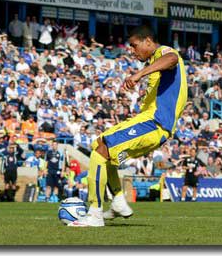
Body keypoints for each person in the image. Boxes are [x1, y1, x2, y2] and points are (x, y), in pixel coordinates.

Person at [69, 25, 188, 227]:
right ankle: (117, 201)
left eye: (134, 46)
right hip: (152, 124)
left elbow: (172, 58)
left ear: (148, 41)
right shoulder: (155, 63)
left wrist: (138, 74)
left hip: (155, 123)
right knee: (100, 147)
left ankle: (95, 213)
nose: (132, 51)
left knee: (101, 151)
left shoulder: (163, 52)